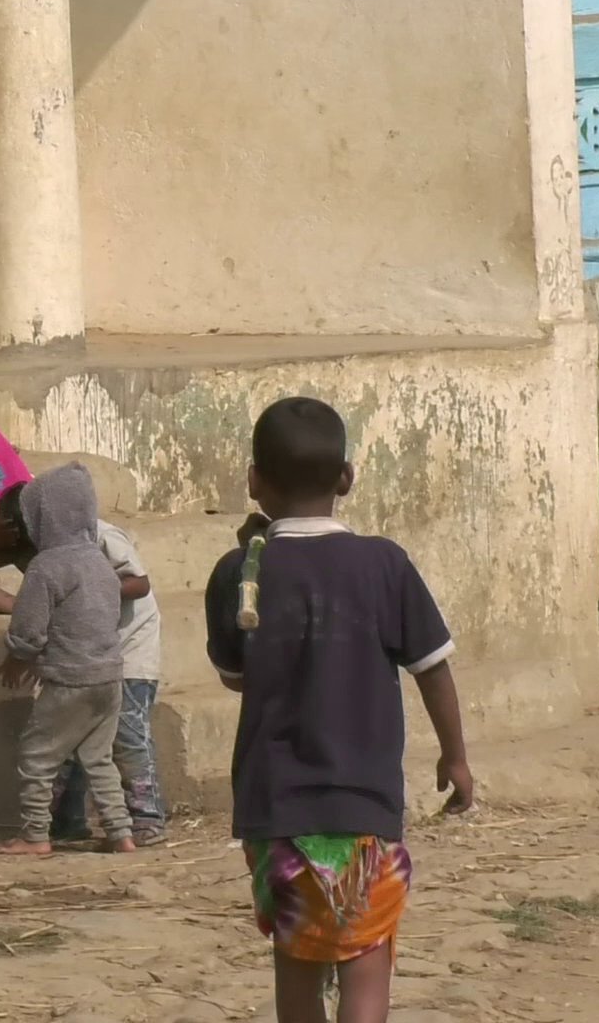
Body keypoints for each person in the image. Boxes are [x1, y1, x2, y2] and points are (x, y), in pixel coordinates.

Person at [202, 397, 475, 1023]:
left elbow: (236, 676)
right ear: (346, 477)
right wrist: (455, 758)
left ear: (253, 480)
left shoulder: (239, 572)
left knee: (296, 960)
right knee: (366, 957)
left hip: (276, 808)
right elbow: (433, 665)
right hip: (365, 805)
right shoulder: (384, 564)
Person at [0, 482, 169, 847]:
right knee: (85, 749)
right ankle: (73, 822)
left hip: (126, 649)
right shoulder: (48, 552)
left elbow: (139, 584)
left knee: (125, 739)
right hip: (82, 655)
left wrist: (81, 589)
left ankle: (146, 817)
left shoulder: (97, 538)